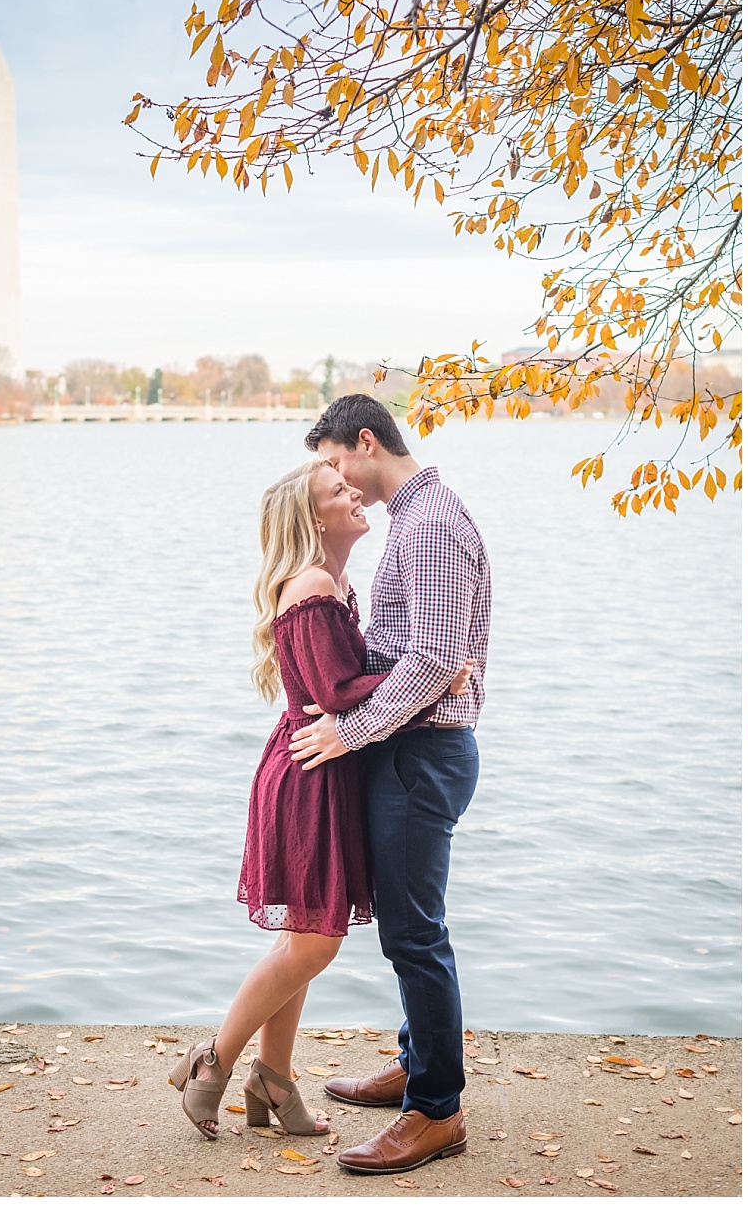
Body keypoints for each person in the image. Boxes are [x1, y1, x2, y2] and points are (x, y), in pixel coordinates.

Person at [170, 457, 472, 1140]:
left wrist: (422, 669)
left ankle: (273, 1081)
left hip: (324, 767)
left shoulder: (332, 581)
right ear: (313, 517)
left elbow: (344, 679)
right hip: (308, 775)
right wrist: (430, 673)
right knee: (314, 944)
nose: (355, 492)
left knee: (303, 934)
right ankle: (211, 1062)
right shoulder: (311, 585)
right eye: (339, 490)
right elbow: (336, 693)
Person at [287, 393, 492, 1175]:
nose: (338, 481)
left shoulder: (431, 523)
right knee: (410, 930)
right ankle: (417, 1061)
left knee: (416, 935)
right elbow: (412, 647)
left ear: (365, 442)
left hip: (421, 755)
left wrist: (349, 729)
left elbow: (436, 658)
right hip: (413, 747)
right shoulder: (418, 515)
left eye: (338, 464)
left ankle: (436, 1109)